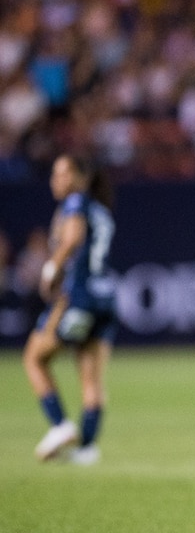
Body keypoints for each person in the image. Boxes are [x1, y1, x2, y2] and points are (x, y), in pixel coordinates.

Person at [23, 154, 118, 465]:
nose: (56, 180)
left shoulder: (76, 203)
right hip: (106, 298)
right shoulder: (101, 209)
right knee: (91, 378)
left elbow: (73, 239)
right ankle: (87, 448)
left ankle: (61, 425)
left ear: (80, 177)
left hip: (79, 298)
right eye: (54, 174)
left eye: (63, 174)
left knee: (34, 358)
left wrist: (52, 268)